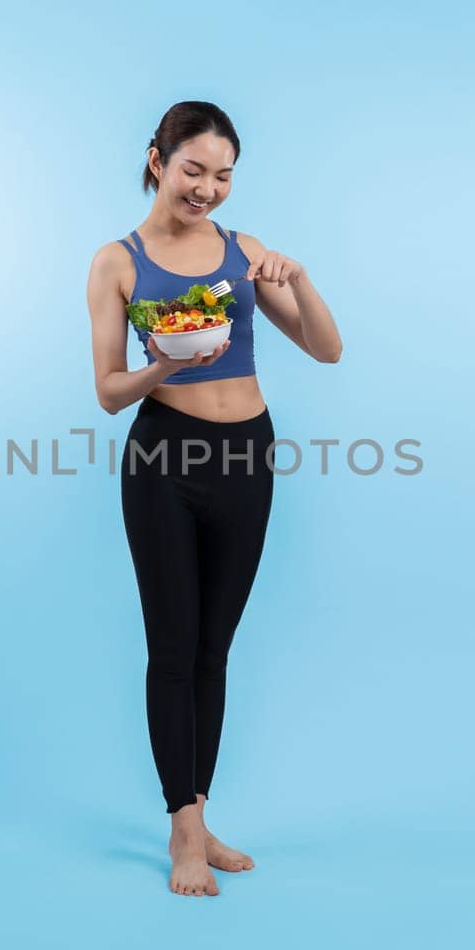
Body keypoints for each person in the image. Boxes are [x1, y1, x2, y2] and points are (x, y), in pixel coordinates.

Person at [84, 100, 344, 897]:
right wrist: (163, 361)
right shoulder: (117, 263)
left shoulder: (244, 253)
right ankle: (183, 833)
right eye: (193, 168)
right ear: (157, 159)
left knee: (213, 649)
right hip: (164, 455)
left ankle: (201, 812)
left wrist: (295, 275)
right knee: (173, 645)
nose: (208, 187)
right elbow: (108, 391)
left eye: (224, 174)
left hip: (248, 456)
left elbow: (327, 349)